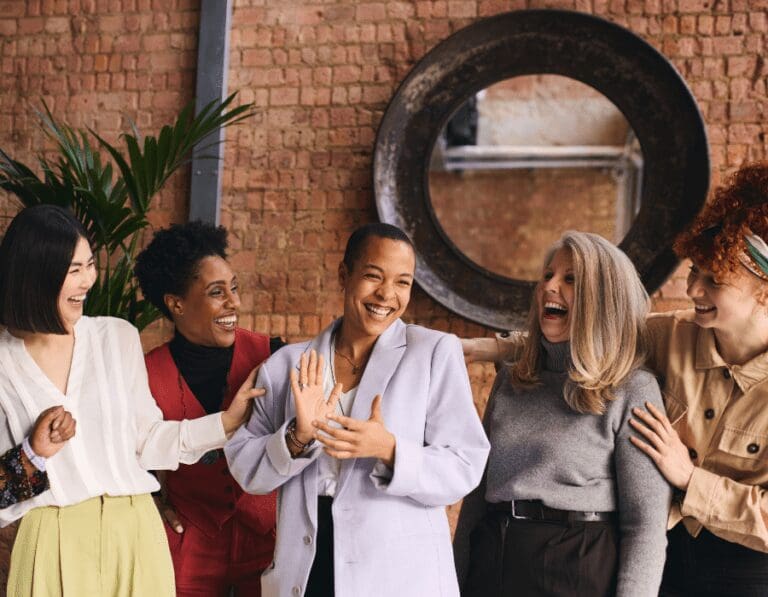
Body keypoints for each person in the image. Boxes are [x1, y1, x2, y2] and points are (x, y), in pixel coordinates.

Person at [0, 205, 261, 597]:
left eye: (90, 264)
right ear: (36, 275)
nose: (88, 280)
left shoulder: (115, 337)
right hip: (51, 539)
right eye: (74, 270)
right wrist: (34, 452)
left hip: (136, 531)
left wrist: (226, 422)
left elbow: (147, 441)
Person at [225, 222, 490, 597]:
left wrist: (389, 449)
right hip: (307, 565)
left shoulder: (433, 353)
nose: (387, 294)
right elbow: (247, 469)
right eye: (373, 276)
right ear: (344, 275)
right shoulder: (288, 364)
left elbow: (465, 466)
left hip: (398, 574)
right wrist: (298, 438)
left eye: (403, 282)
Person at [454, 231, 672, 596]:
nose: (549, 287)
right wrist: (451, 582)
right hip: (493, 558)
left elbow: (645, 526)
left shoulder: (632, 388)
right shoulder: (512, 376)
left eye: (570, 279)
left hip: (577, 566)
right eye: (548, 275)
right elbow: (475, 500)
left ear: (602, 298)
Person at [627, 162, 768, 595]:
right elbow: (592, 342)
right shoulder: (668, 335)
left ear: (764, 290)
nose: (693, 291)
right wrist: (471, 349)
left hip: (745, 570)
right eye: (693, 271)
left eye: (715, 280)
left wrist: (690, 479)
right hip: (661, 552)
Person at [135, 221, 280, 596]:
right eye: (218, 292)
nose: (235, 303)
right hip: (191, 540)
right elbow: (131, 456)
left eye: (234, 288)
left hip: (268, 539)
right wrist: (153, 501)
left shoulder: (272, 355)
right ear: (176, 303)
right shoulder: (146, 373)